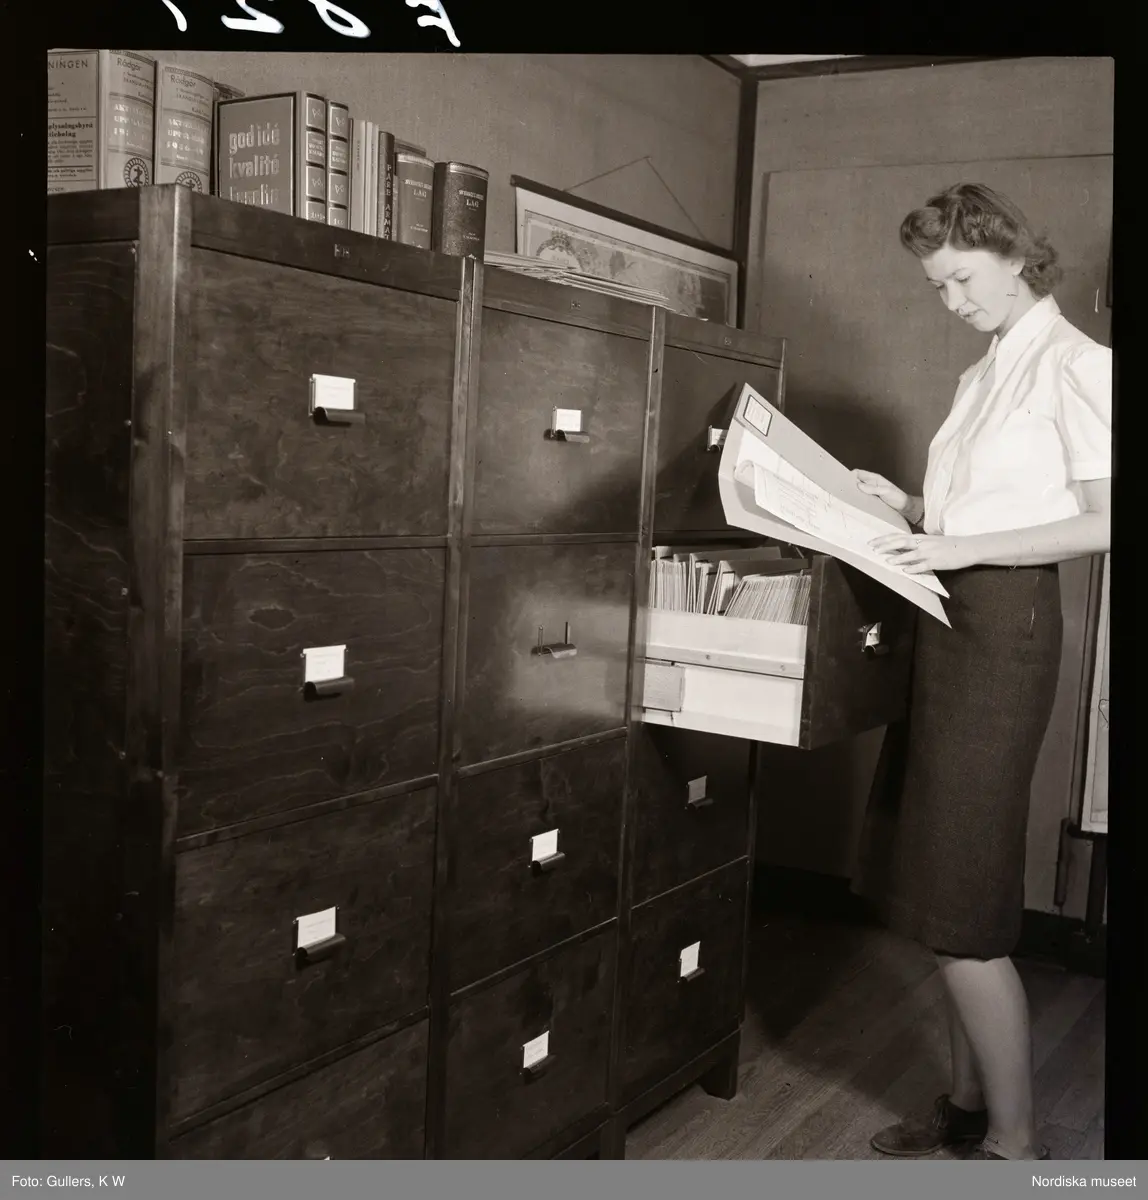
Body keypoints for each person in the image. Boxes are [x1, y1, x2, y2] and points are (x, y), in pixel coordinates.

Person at [848, 183, 1112, 1162]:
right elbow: (978, 510)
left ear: (1013, 255)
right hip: (947, 616)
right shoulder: (982, 371)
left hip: (1003, 627)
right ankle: (962, 1106)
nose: (950, 301)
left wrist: (956, 548)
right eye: (936, 288)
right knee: (934, 884)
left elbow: (1104, 521)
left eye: (960, 279)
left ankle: (1011, 1146)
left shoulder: (1079, 365)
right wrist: (913, 507)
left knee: (963, 897)